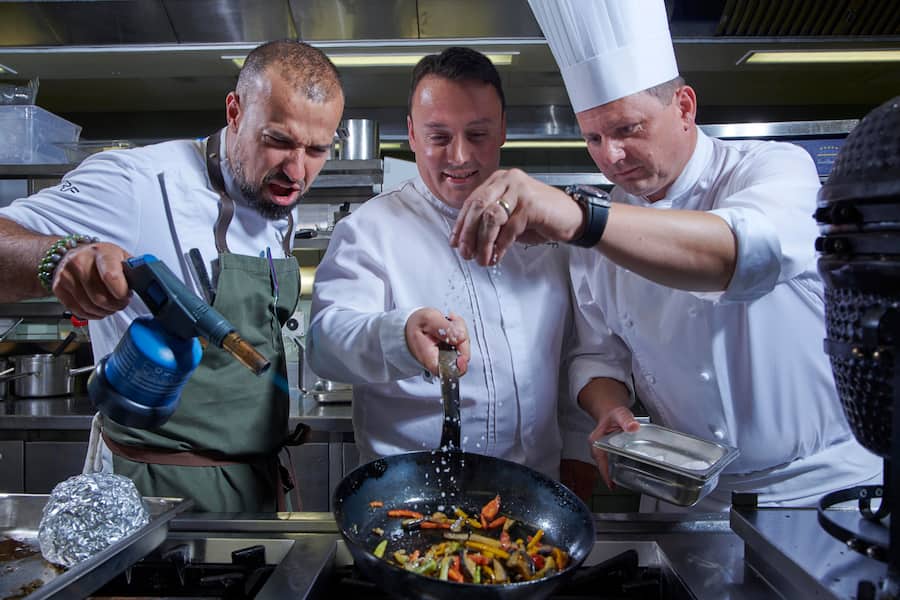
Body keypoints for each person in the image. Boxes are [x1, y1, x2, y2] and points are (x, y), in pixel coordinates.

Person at [450, 0, 882, 511]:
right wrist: (610, 408)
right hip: (687, 496)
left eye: (628, 129)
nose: (610, 155)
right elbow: (596, 355)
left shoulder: (773, 169)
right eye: (593, 137)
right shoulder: (602, 226)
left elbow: (741, 252)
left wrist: (579, 218)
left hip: (822, 491)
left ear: (684, 106)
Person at [0, 40, 344, 512]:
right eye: (278, 141)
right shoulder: (137, 183)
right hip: (156, 493)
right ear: (235, 111)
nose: (297, 170)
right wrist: (54, 255)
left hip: (255, 491)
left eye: (317, 150)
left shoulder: (276, 198)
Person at [306, 47, 598, 500]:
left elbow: (568, 353)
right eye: (438, 136)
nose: (459, 156)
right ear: (412, 135)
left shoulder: (546, 229)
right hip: (415, 499)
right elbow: (325, 342)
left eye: (477, 134)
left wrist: (577, 448)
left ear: (502, 128)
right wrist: (400, 335)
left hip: (534, 495)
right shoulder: (370, 230)